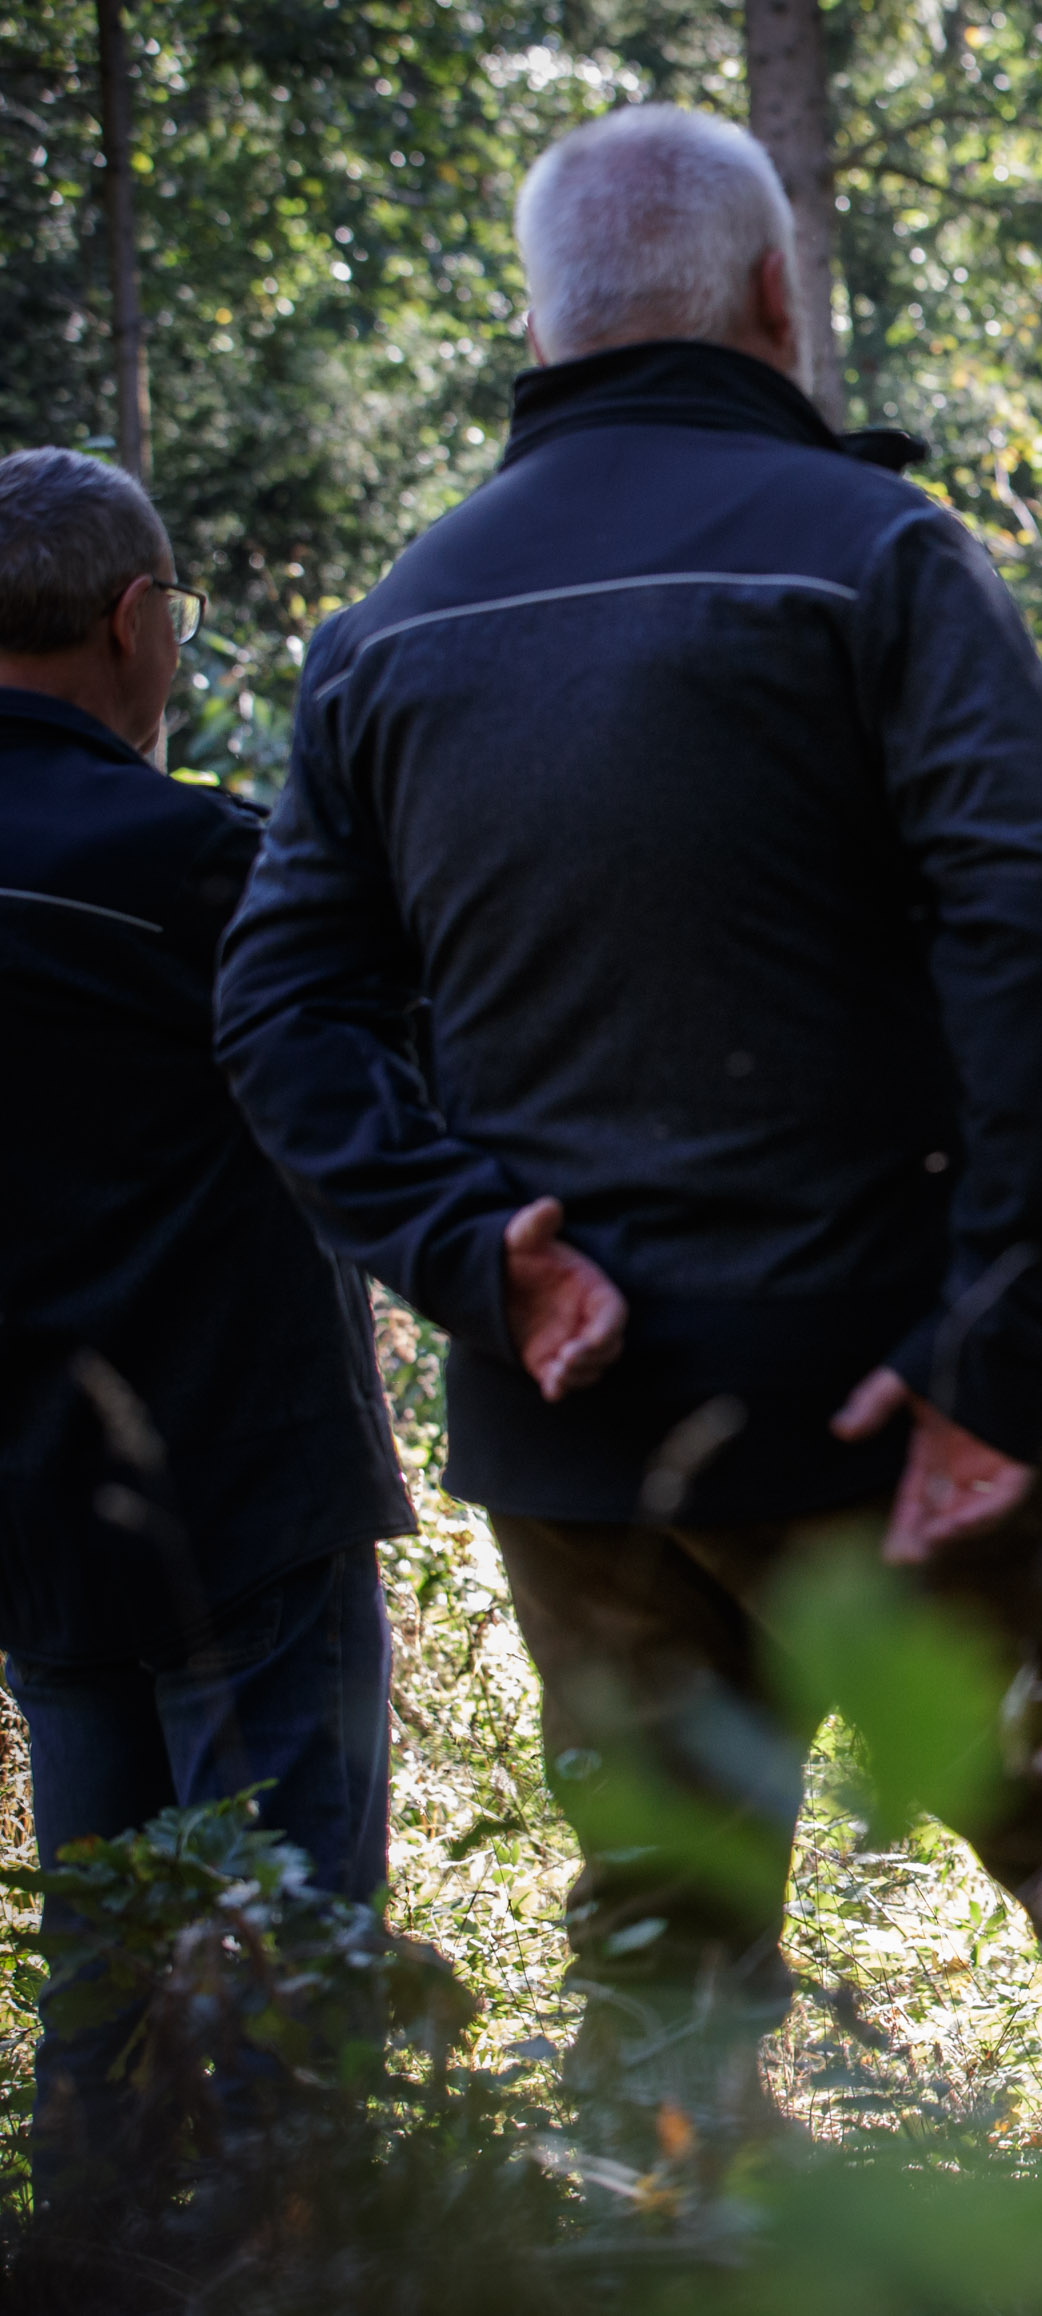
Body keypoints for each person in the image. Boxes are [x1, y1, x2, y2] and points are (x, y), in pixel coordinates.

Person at [211, 107, 1042, 2134]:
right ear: (779, 296)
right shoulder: (874, 555)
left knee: (666, 1966)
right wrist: (994, 1347)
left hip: (577, 1432)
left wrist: (458, 1246)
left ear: (543, 318)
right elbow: (1041, 913)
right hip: (898, 1415)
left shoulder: (384, 631)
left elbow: (277, 1005)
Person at [0, 449, 411, 2178]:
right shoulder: (201, 865)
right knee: (286, 1982)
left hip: (31, 1513)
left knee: (98, 1985)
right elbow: (392, 1083)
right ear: (137, 621)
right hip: (245, 1502)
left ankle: (91, 2262)